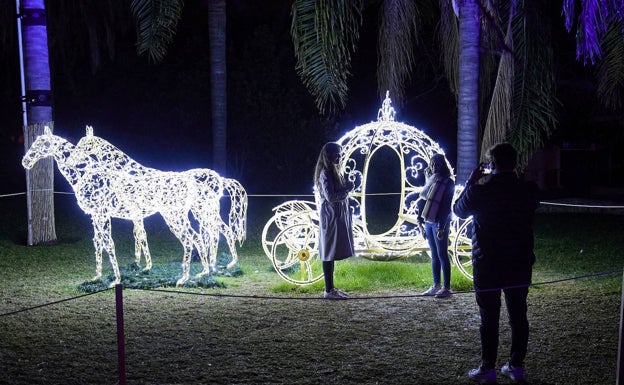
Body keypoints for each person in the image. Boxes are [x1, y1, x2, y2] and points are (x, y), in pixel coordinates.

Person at [453, 143, 540, 384]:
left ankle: (487, 368)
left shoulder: (482, 191)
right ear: (515, 162)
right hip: (519, 261)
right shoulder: (527, 190)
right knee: (518, 315)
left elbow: (458, 210)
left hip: (488, 262)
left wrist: (472, 181)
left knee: (489, 316)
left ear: (491, 164)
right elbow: (534, 202)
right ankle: (516, 365)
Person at [314, 142, 355, 300]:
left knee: (331, 251)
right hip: (330, 216)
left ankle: (331, 287)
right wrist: (346, 190)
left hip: (336, 215)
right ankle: (328, 290)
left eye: (340, 154)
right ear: (328, 155)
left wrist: (346, 186)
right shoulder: (325, 173)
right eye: (337, 154)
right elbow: (330, 197)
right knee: (328, 252)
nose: (339, 156)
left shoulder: (334, 171)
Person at [417, 153, 455, 298]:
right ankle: (436, 285)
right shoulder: (430, 180)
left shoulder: (448, 183)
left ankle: (446, 287)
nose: (434, 167)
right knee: (434, 255)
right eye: (432, 164)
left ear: (443, 165)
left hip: (440, 223)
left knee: (442, 254)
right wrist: (420, 223)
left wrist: (441, 226)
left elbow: (446, 206)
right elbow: (422, 202)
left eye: (437, 164)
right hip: (428, 222)